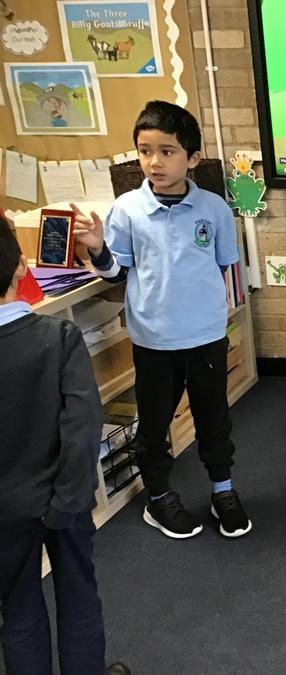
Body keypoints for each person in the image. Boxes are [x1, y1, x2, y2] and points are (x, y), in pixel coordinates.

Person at [73, 100, 251, 539]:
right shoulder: (127, 209)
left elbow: (222, 264)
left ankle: (223, 490)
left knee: (214, 421)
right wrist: (97, 248)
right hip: (154, 340)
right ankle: (159, 497)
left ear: (192, 158)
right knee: (154, 426)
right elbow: (117, 272)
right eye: (145, 150)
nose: (154, 161)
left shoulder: (214, 208)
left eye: (167, 151)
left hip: (206, 335)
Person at [0, 215, 130, 675]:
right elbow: (82, 424)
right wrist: (67, 503)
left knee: (17, 609)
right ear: (21, 267)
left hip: (5, 512)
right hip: (64, 499)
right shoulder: (58, 337)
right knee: (78, 596)